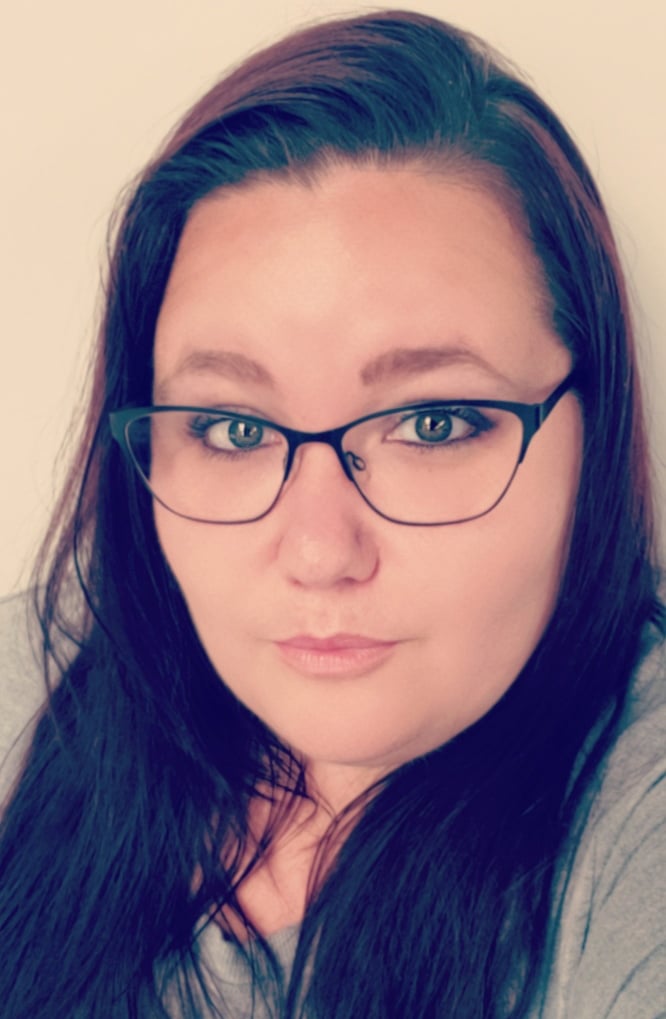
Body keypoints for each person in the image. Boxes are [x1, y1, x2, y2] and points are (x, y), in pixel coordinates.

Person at [0, 8, 664, 1017]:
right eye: (231, 427)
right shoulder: (39, 680)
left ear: (594, 422)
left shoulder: (635, 827)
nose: (319, 551)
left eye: (433, 423)